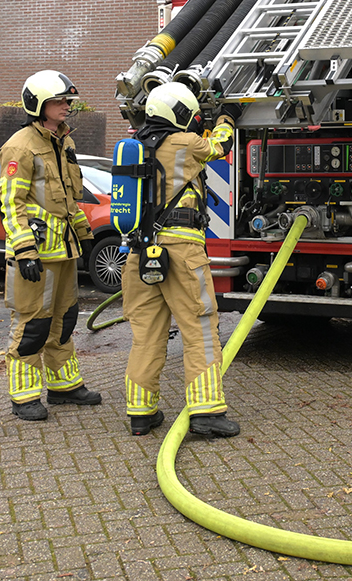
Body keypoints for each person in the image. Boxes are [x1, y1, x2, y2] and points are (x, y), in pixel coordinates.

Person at [121, 82, 240, 438]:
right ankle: (206, 413)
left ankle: (141, 413)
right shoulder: (186, 144)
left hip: (140, 253)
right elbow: (220, 146)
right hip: (181, 251)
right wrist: (227, 118)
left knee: (146, 335)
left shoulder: (135, 148)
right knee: (200, 328)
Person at [0, 70, 102, 421]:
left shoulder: (65, 142)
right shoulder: (20, 147)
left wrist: (85, 235)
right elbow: (12, 204)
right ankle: (24, 396)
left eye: (67, 101)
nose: (66, 107)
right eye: (59, 101)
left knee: (65, 320)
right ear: (39, 104)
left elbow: (70, 198)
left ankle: (64, 386)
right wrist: (25, 250)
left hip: (65, 250)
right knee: (33, 325)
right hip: (36, 255)